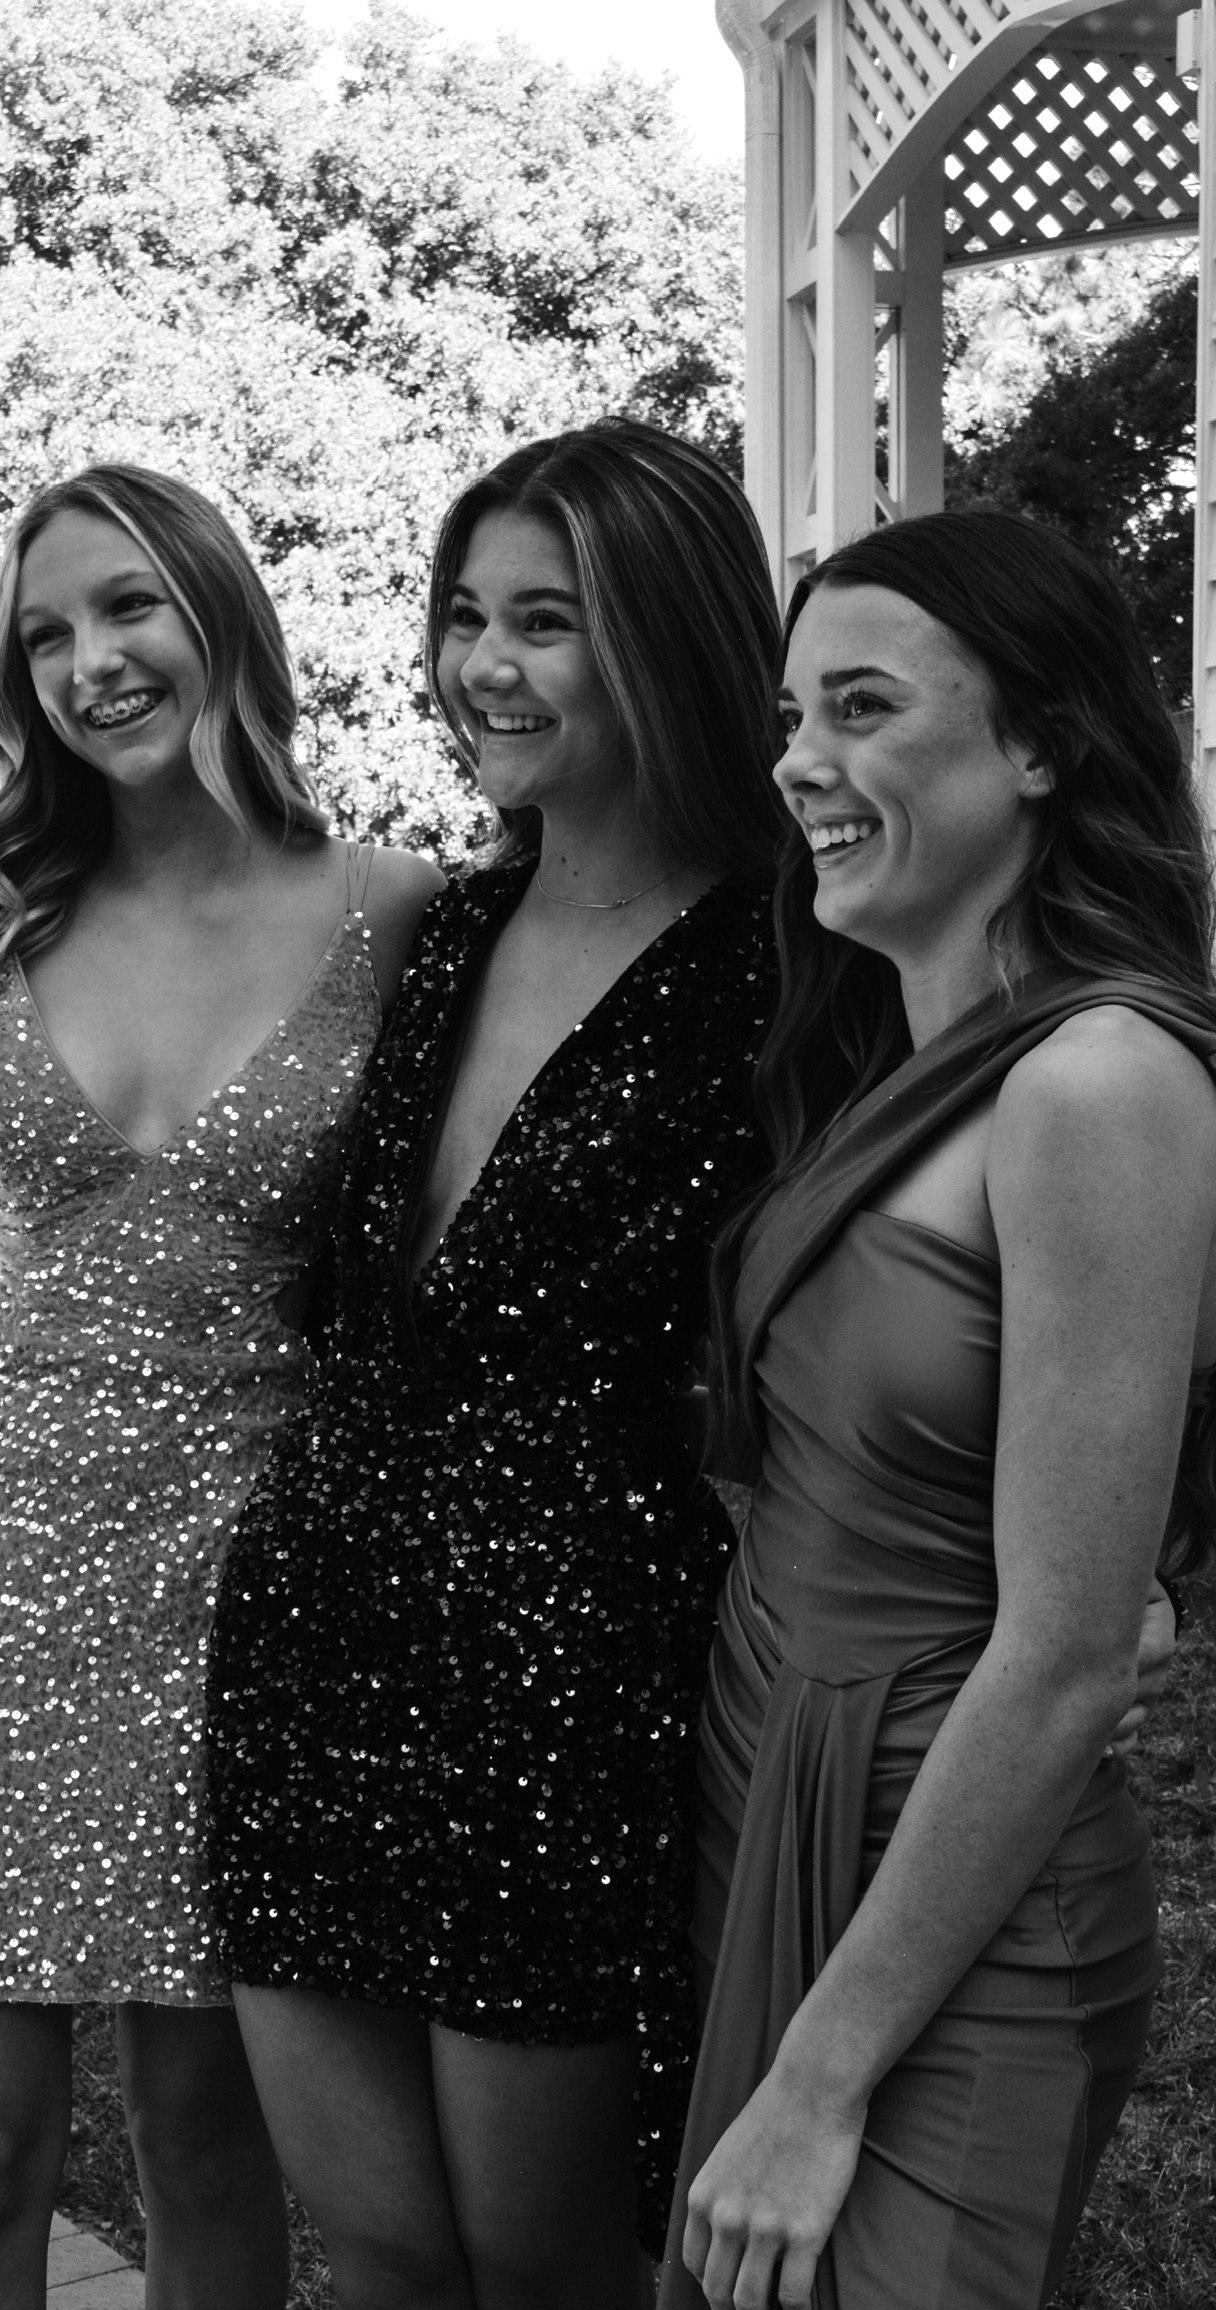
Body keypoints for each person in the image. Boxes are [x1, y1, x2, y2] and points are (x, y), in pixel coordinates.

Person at [0, 462, 440, 2310]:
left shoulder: (400, 914)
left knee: (208, 2140)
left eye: (129, 606)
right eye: (48, 633)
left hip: (246, 1589)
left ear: (220, 609)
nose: (92, 660)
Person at [203, 417, 789, 2306]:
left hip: (573, 1661)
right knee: (374, 2250)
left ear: (671, 637)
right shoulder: (443, 932)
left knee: (542, 2260)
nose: (485, 668)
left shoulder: (796, 960)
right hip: (319, 1622)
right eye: (468, 616)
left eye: (547, 619)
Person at [662, 509, 1216, 2310]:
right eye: (793, 713)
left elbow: (1067, 1650)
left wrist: (822, 2077)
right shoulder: (887, 1065)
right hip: (780, 1797)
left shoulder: (1101, 1081)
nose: (801, 762)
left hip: (953, 1889)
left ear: (1042, 743)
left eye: (867, 709)